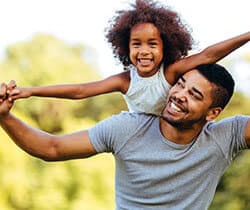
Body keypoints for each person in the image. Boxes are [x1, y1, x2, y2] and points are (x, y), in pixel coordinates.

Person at [0, 63, 249, 209]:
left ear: (212, 113)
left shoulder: (224, 137)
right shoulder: (129, 128)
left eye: (194, 95)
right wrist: (4, 117)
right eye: (180, 84)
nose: (179, 94)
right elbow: (51, 148)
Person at [7, 0, 250, 115]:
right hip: (139, 138)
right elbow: (81, 90)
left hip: (174, 133)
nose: (144, 51)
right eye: (137, 44)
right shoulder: (125, 81)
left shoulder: (171, 72)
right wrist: (31, 91)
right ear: (126, 47)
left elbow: (209, 55)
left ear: (166, 47)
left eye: (152, 44)